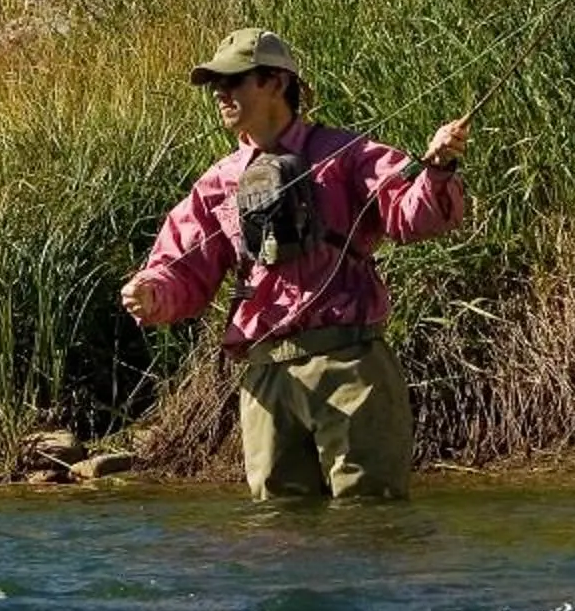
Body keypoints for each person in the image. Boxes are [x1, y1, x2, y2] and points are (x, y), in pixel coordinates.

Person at [119, 28, 468, 501]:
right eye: (216, 85)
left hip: (349, 365)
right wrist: (151, 292)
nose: (221, 93)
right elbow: (182, 267)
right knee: (278, 536)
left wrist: (438, 168)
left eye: (235, 80)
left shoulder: (347, 155)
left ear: (277, 83)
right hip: (267, 378)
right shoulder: (218, 182)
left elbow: (412, 217)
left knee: (369, 521)